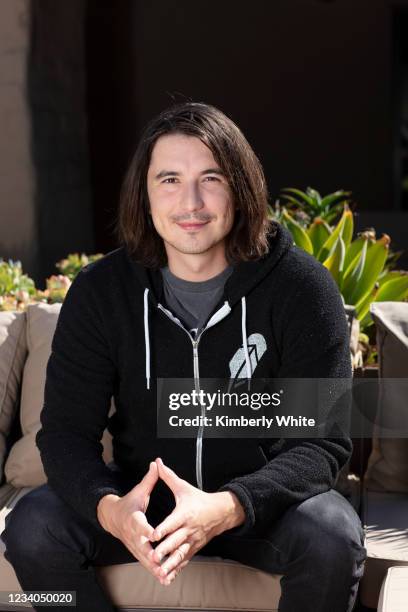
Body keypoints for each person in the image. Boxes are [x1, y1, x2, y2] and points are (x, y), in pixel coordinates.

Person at [1, 102, 366, 611]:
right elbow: (64, 434)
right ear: (144, 194)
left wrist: (229, 505)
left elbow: (321, 444)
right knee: (32, 527)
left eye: (210, 178)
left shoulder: (302, 289)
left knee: (331, 535)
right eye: (169, 179)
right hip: (143, 506)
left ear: (240, 187)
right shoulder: (103, 292)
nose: (190, 201)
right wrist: (112, 510)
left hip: (261, 509)